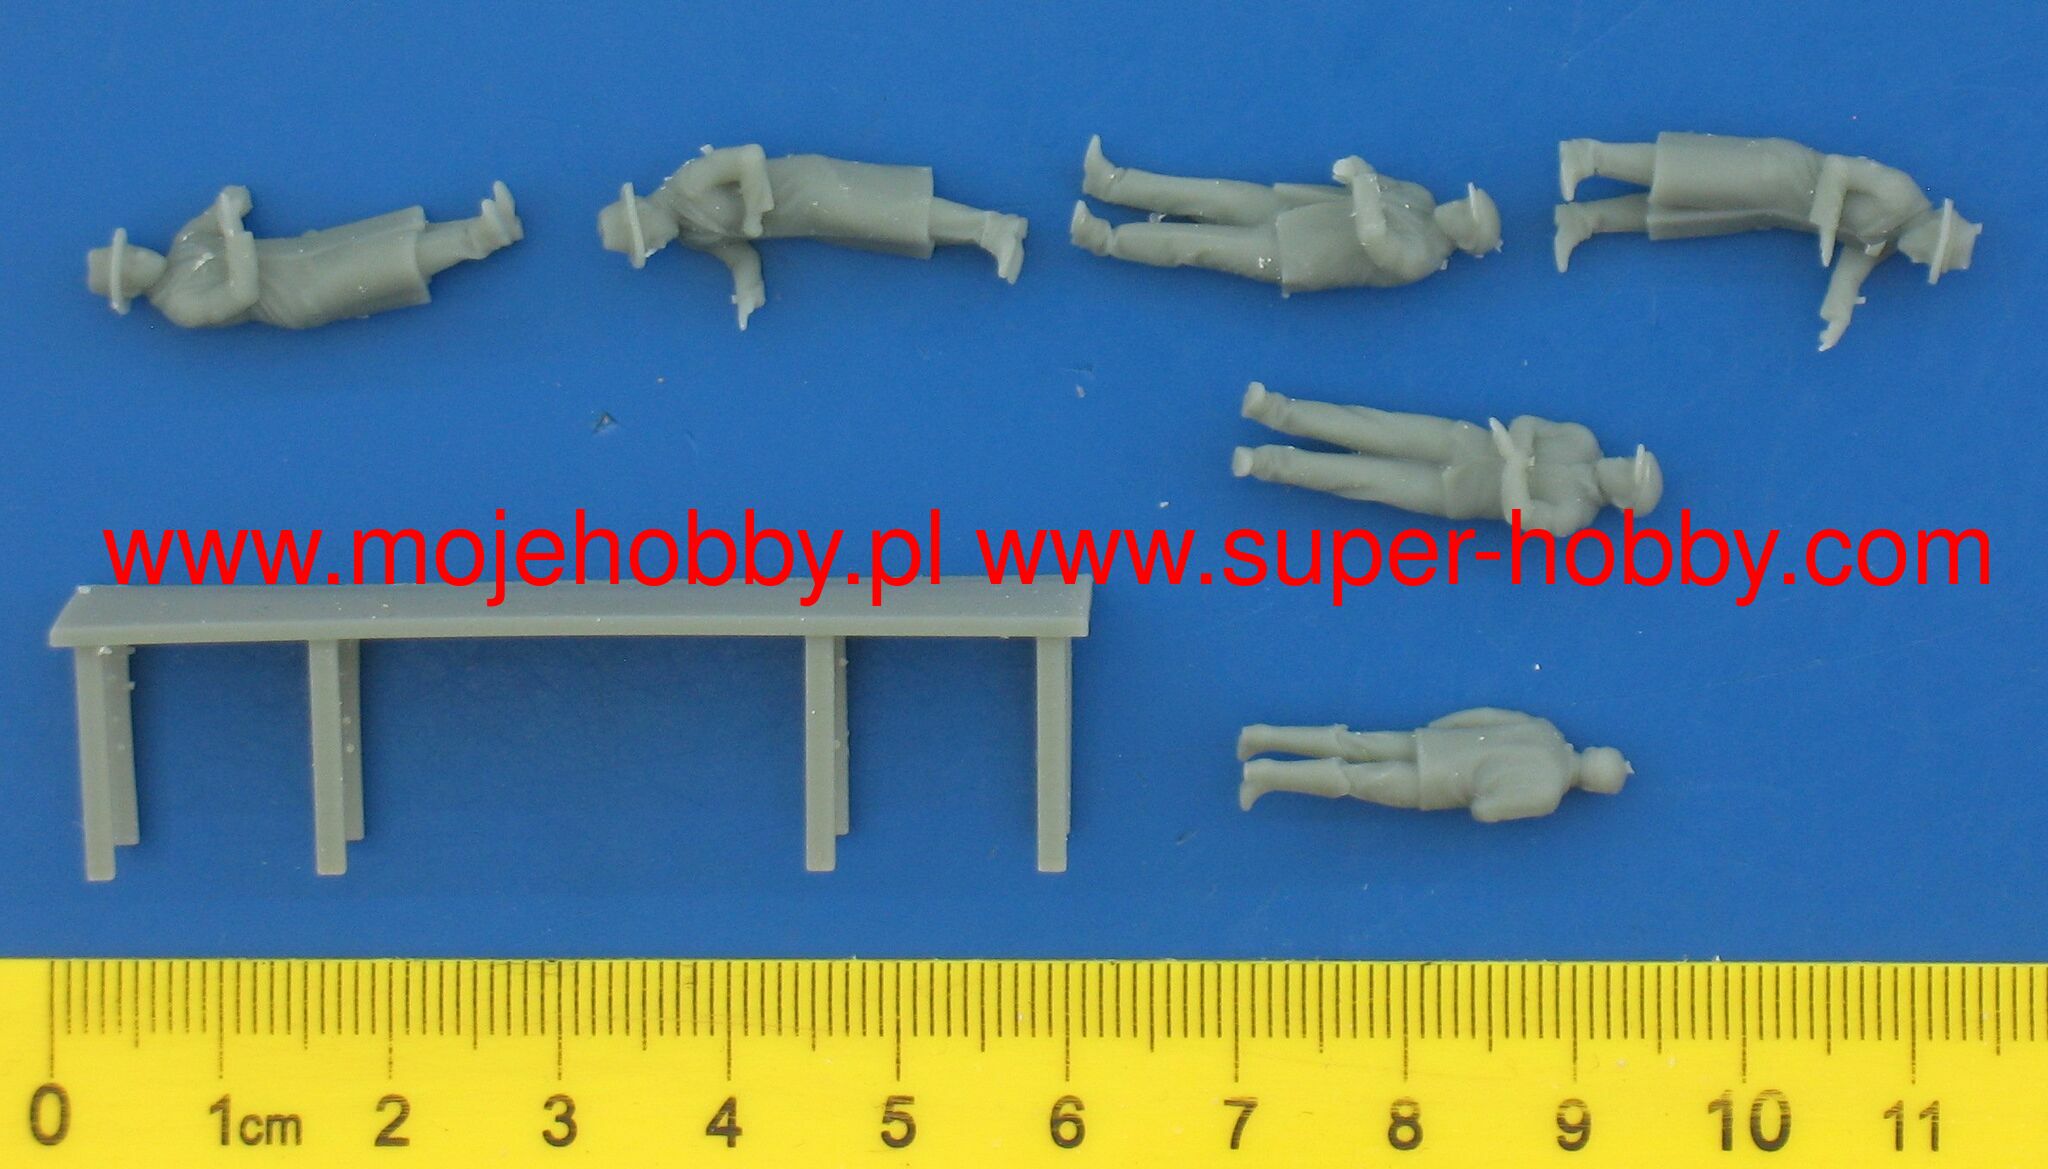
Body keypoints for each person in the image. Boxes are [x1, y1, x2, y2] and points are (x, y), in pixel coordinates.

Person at [1552, 132, 1981, 350]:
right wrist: (1827, 222)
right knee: (1687, 173)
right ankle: (1590, 156)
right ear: (1935, 231)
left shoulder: (1887, 240)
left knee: (1680, 213)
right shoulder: (1898, 193)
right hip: (1778, 173)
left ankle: (1585, 219)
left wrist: (1839, 312)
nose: (1920, 262)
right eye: (1931, 258)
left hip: (1773, 211)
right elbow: (1838, 169)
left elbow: (1852, 269)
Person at [599, 145, 1028, 329]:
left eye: (645, 239)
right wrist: (748, 288)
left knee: (892, 211)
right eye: (646, 249)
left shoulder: (691, 183)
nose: (654, 246)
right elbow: (738, 255)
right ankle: (982, 234)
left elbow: (748, 157)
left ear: (643, 212)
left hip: (809, 187)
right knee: (891, 231)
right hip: (808, 222)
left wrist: (755, 208)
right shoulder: (692, 236)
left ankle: (991, 227)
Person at [1069, 135, 1499, 293]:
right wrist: (1359, 176)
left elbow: (1374, 237)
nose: (1459, 205)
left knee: (1194, 245)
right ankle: (1110, 182)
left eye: (1466, 212)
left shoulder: (1420, 258)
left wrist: (1363, 182)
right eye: (1467, 201)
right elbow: (1380, 184)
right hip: (1300, 209)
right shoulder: (1422, 198)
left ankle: (1104, 239)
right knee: (1207, 193)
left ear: (1464, 238)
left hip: (1297, 255)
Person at [1230, 382, 1661, 536]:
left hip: (1451, 494)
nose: (1623, 463)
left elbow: (1520, 516)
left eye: (1630, 473)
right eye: (1631, 460)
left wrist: (1515, 464)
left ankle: (1266, 463)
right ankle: (1275, 409)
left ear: (1623, 501)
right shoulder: (1582, 441)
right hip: (1459, 442)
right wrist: (1519, 448)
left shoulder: (1574, 514)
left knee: (1360, 477)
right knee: (1369, 426)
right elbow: (1528, 422)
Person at [87, 182, 522, 329]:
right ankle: (481, 239)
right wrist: (235, 234)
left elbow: (222, 209)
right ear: (132, 288)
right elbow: (242, 294)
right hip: (296, 296)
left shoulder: (184, 243)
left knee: (385, 240)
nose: (141, 256)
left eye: (133, 251)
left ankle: (480, 227)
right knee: (390, 266)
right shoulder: (182, 307)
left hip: (299, 255)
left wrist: (228, 204)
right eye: (131, 265)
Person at [1237, 708, 1632, 823]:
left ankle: (1263, 734)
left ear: (1594, 752)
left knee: (1350, 742)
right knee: (1351, 780)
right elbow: (1485, 810)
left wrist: (1440, 730)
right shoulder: (1546, 795)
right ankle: (1267, 775)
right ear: (1592, 787)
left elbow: (1483, 715)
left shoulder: (1546, 731)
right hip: (1436, 785)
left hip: (1431, 744)